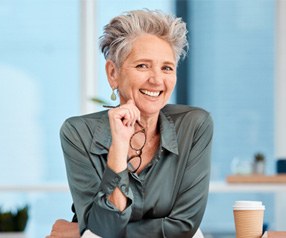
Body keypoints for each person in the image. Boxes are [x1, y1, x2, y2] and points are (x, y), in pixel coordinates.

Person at [47, 9, 213, 238]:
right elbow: (105, 227)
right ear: (113, 73)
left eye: (167, 67)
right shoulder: (77, 133)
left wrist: (82, 233)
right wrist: (118, 150)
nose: (156, 79)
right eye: (142, 66)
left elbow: (184, 226)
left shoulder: (194, 125)